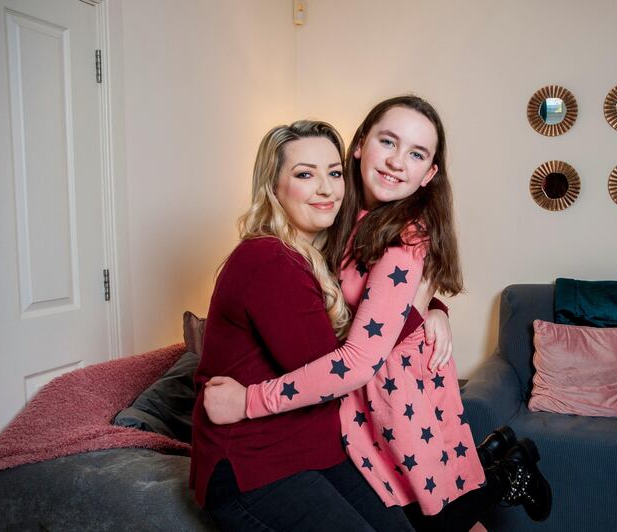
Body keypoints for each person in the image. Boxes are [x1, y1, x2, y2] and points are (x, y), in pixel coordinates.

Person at [204, 96, 552, 531]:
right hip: (355, 400)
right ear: (361, 144)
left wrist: (249, 400)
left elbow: (359, 352)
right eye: (388, 142)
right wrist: (427, 311)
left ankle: (501, 477)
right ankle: (500, 469)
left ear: (429, 174)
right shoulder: (337, 219)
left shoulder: (405, 234)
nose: (396, 162)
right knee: (419, 506)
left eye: (416, 154)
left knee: (428, 503)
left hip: (389, 393)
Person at [190, 119, 417, 531]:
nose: (326, 189)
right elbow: (335, 370)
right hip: (252, 466)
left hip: (313, 451)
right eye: (304, 175)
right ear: (273, 187)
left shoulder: (320, 255)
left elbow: (372, 313)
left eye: (333, 173)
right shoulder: (270, 260)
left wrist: (433, 309)